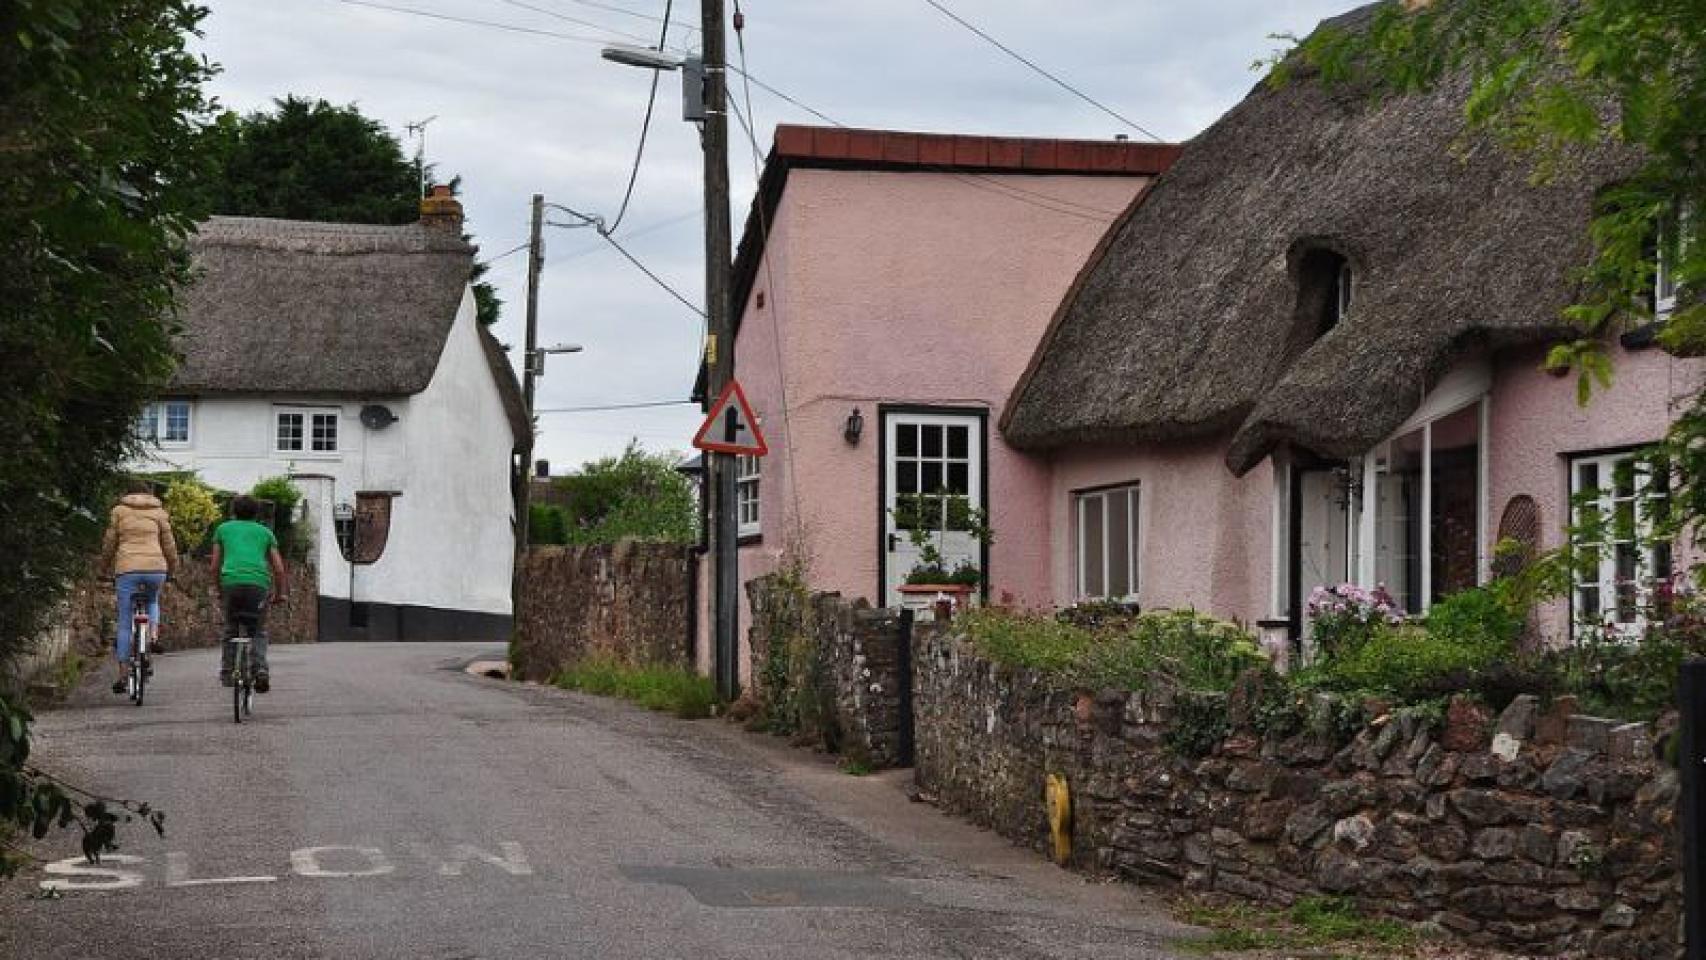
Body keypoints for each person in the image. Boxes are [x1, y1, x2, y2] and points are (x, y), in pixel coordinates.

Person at [100, 480, 178, 695]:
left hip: (127, 568)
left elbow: (109, 542)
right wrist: (173, 567)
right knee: (152, 600)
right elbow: (169, 544)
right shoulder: (159, 513)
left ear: (127, 493)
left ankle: (123, 674)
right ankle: (152, 637)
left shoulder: (119, 511)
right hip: (156, 569)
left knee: (125, 621)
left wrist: (103, 566)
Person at [210, 495, 287, 692]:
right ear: (257, 513)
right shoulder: (265, 533)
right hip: (258, 585)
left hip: (231, 584)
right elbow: (278, 568)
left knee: (230, 630)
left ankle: (228, 672)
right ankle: (260, 669)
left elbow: (214, 566)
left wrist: (219, 590)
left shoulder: (223, 529)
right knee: (258, 630)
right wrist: (279, 594)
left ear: (234, 511)